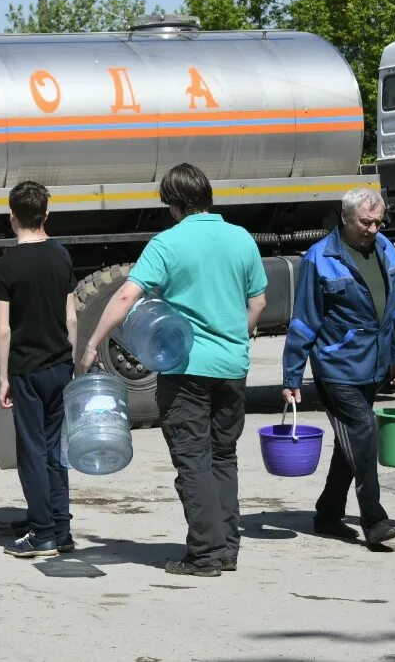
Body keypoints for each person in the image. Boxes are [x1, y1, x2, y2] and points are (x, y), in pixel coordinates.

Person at [80, 163, 267, 577]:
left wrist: (93, 343)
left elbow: (128, 293)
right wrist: (237, 338)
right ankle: (227, 549)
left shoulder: (167, 243)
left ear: (173, 204)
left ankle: (204, 554)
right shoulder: (241, 239)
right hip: (233, 367)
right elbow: (258, 304)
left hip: (187, 370)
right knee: (223, 456)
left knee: (193, 459)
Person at [282, 187, 395, 546]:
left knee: (349, 441)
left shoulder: (387, 249)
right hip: (336, 365)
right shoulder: (319, 258)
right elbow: (304, 320)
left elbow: (394, 311)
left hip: (374, 363)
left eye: (378, 222)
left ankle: (328, 512)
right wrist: (292, 375)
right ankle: (374, 519)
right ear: (345, 217)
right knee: (363, 431)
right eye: (365, 222)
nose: (372, 229)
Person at [0, 182, 78, 558]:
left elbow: (2, 329)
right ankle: (61, 526)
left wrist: (4, 377)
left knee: (32, 452)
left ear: (11, 217)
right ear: (46, 215)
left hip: (26, 370)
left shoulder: (5, 266)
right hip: (59, 366)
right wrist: (69, 361)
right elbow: (71, 317)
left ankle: (41, 532)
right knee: (56, 450)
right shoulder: (61, 256)